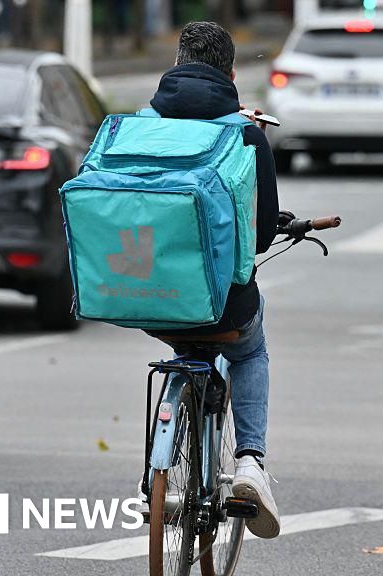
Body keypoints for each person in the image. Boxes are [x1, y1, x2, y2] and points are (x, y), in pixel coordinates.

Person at [146, 21, 281, 539]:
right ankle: (250, 461)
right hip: (225, 310)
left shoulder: (140, 127)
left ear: (176, 64)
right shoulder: (246, 134)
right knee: (250, 349)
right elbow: (263, 234)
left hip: (150, 302)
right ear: (230, 73)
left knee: (184, 335)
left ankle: (156, 483)